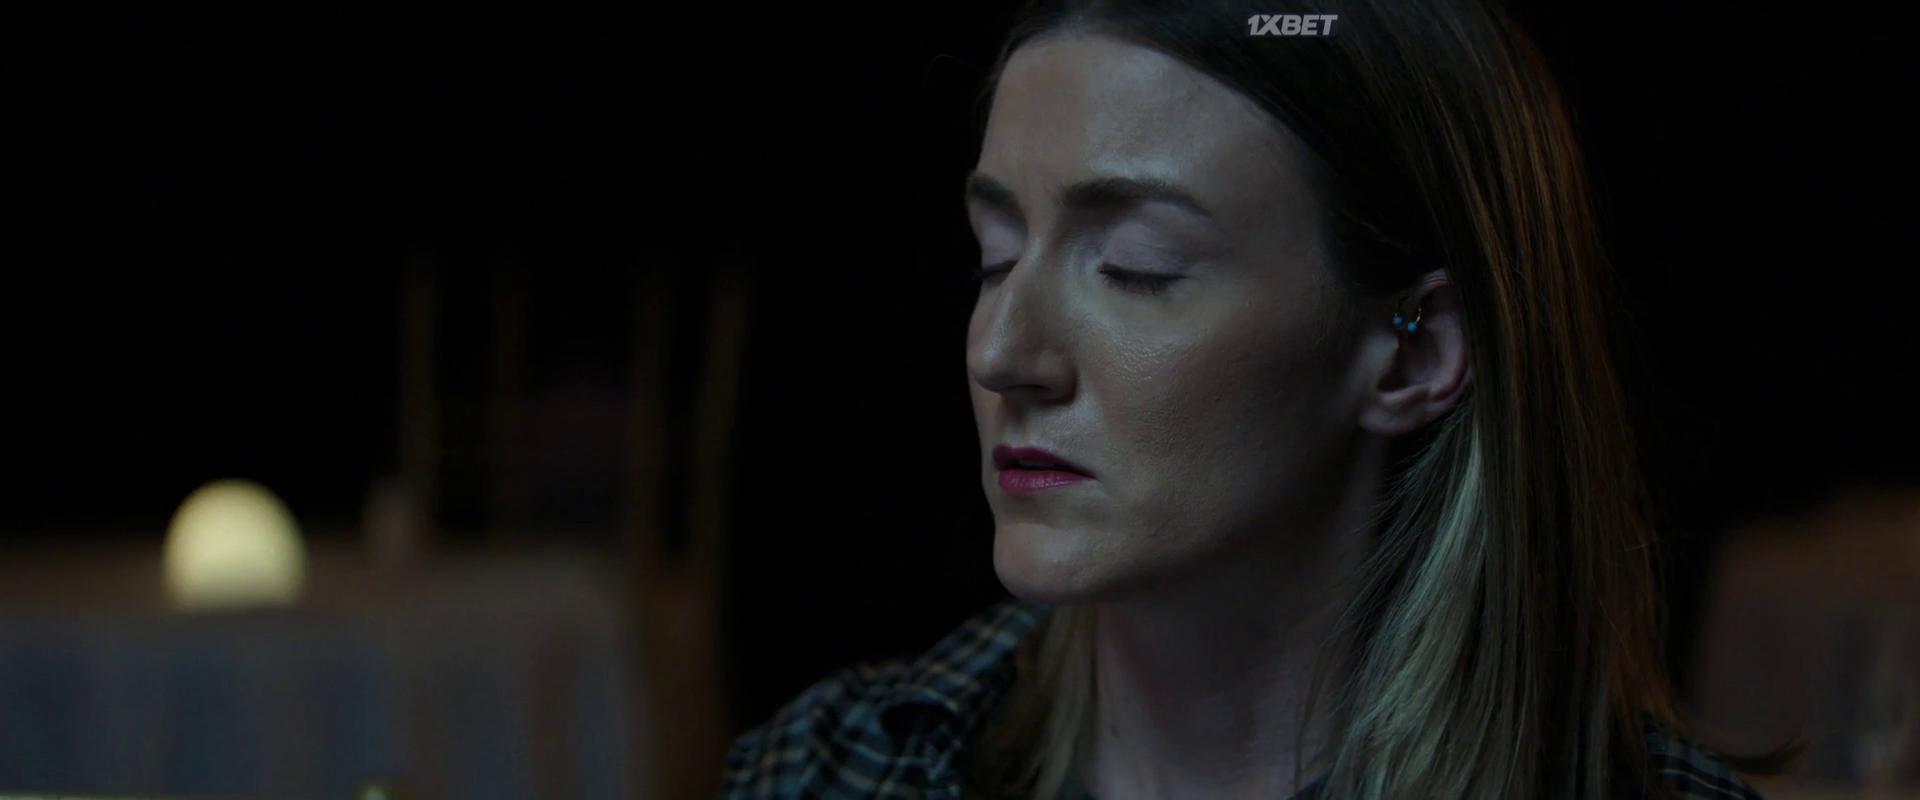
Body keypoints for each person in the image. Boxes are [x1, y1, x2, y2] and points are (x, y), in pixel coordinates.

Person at [724, 0, 1784, 797]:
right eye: (995, 255)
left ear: (1413, 354)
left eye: (1135, 267)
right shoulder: (838, 768)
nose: (1003, 352)